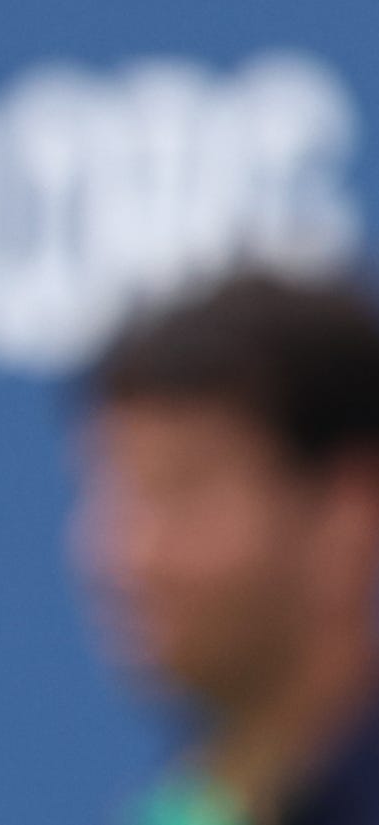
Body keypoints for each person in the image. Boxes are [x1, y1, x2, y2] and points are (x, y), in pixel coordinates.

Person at [79, 272, 379, 824]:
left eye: (183, 492)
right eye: (119, 493)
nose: (132, 554)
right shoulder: (177, 806)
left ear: (348, 519)